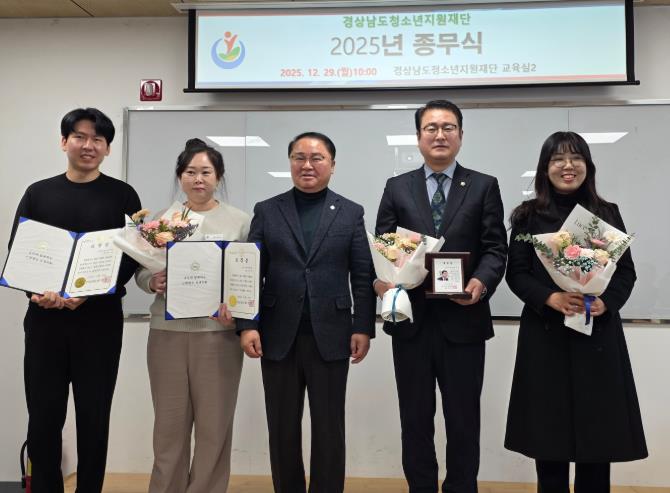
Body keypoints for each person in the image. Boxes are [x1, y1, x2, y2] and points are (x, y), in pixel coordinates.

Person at [375, 100, 507, 493]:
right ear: (418, 137)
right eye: (431, 128)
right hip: (411, 323)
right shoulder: (397, 187)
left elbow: (495, 248)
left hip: (464, 321)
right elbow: (383, 247)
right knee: (415, 420)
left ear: (461, 136)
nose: (439, 134)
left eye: (448, 127)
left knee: (463, 420)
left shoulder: (484, 185)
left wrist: (480, 282)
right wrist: (384, 282)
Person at [504, 131, 647, 492]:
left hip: (597, 336)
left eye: (576, 158)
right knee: (547, 438)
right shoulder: (526, 217)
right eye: (558, 159)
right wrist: (549, 298)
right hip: (545, 337)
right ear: (545, 168)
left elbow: (626, 272)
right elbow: (516, 273)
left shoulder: (606, 213)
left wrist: (606, 301)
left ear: (587, 166)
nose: (568, 166)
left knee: (598, 439)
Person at [8, 108, 141, 492]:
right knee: (43, 418)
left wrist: (89, 293)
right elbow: (20, 252)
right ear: (64, 141)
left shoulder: (123, 195)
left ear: (108, 148)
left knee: (94, 418)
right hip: (45, 322)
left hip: (99, 324)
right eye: (80, 137)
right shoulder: (38, 193)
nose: (88, 145)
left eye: (98, 139)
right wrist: (37, 292)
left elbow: (133, 257)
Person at [237, 132, 376, 493]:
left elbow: (362, 275)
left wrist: (363, 327)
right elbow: (250, 271)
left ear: (332, 164)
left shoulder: (351, 212)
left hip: (332, 334)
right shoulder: (268, 210)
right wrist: (247, 325)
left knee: (329, 427)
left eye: (317, 158)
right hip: (277, 334)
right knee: (282, 427)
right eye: (299, 157)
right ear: (290, 163)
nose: (307, 165)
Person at [135, 138, 250, 493]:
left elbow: (250, 275)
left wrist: (237, 308)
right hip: (167, 334)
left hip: (218, 335)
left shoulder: (240, 221)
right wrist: (151, 280)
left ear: (219, 177)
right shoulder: (162, 220)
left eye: (206, 172)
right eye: (190, 172)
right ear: (180, 176)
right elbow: (141, 270)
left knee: (215, 427)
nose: (198, 179)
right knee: (168, 427)